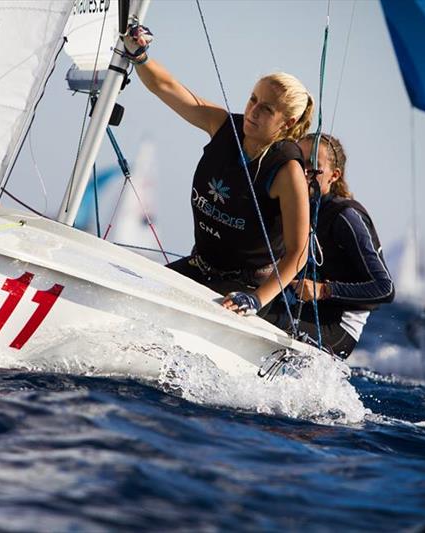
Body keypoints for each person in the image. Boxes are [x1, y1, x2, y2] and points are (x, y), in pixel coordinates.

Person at [123, 24, 312, 319]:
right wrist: (139, 56)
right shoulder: (224, 127)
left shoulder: (286, 170)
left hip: (244, 288)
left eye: (267, 109)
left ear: (286, 124)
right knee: (132, 298)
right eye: (253, 100)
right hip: (199, 265)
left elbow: (298, 252)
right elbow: (168, 87)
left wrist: (256, 299)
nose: (253, 111)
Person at [286, 133, 395, 358]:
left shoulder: (346, 217)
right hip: (300, 310)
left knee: (261, 315)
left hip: (338, 329)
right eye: (298, 163)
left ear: (333, 176)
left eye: (313, 167)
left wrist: (324, 290)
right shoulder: (294, 206)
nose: (303, 172)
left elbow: (386, 289)